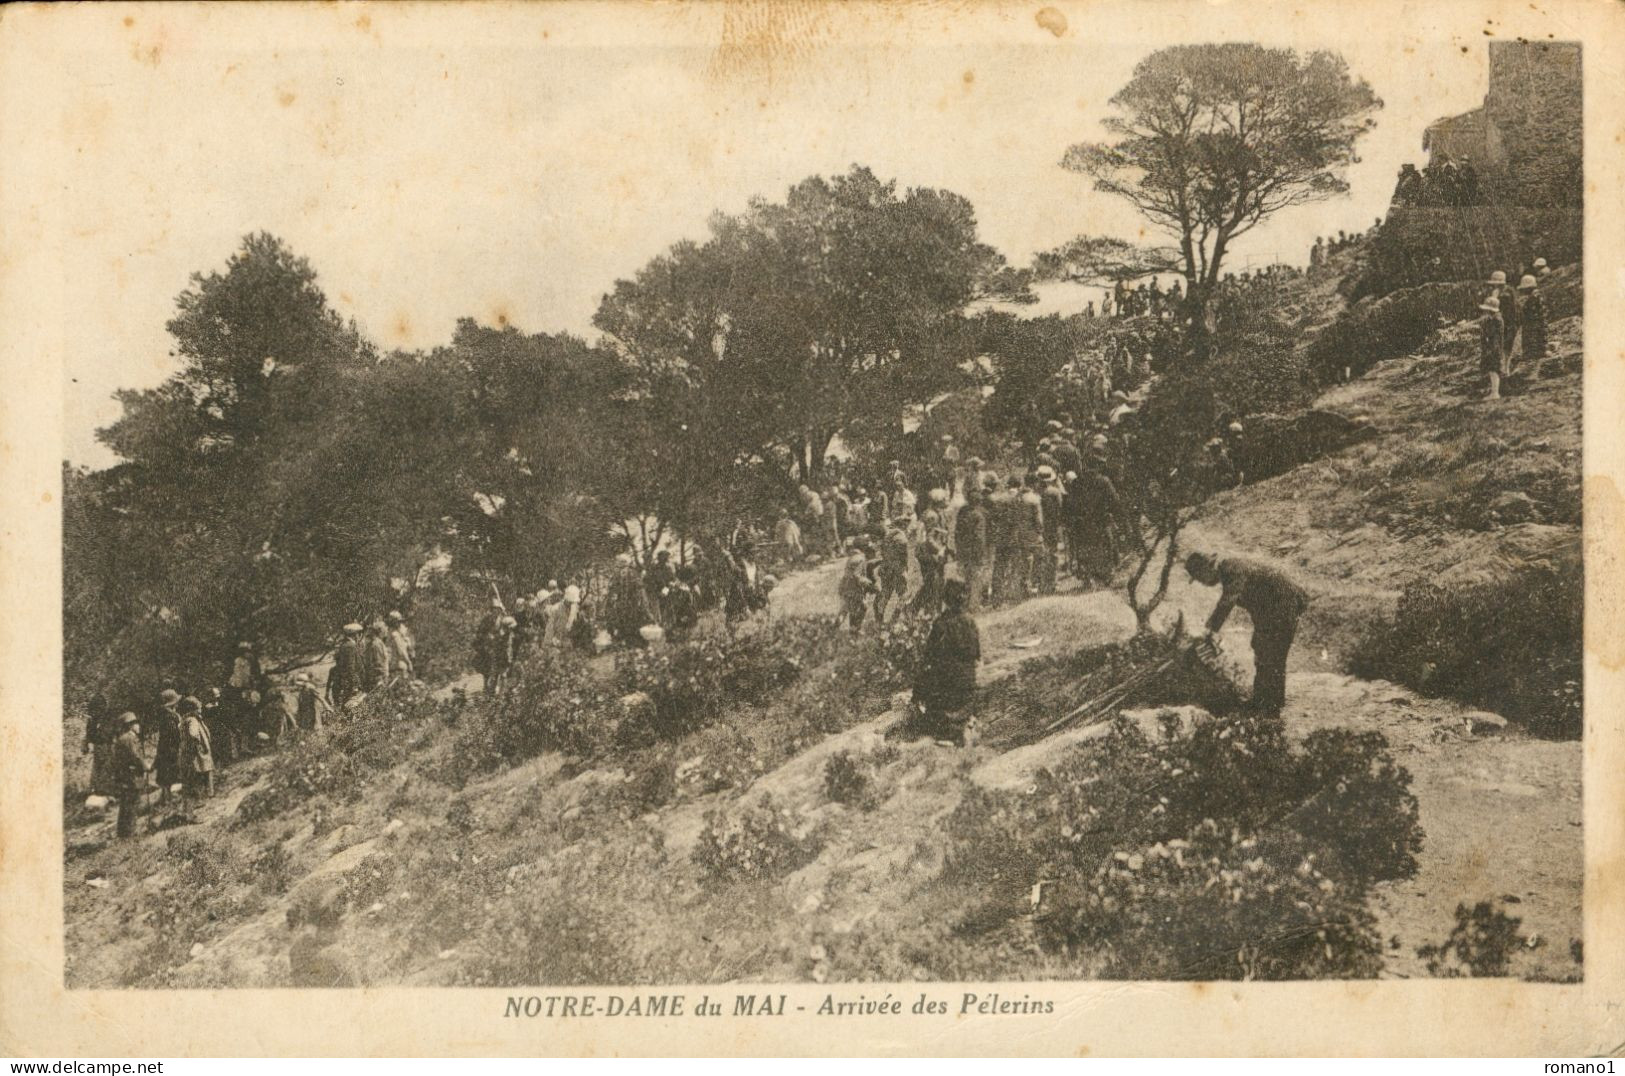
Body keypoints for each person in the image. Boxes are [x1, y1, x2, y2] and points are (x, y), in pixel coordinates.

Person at [1185, 551, 1309, 716]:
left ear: (1205, 570)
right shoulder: (1228, 570)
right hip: (1275, 611)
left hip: (1283, 608)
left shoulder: (1231, 568)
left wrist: (1210, 629)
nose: (1204, 583)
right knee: (1264, 651)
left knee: (1271, 655)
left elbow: (1227, 600)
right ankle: (1266, 702)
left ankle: (1268, 708)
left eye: (1200, 579)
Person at [905, 579, 981, 746]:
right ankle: (961, 723)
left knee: (926, 679)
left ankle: (939, 725)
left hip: (949, 685)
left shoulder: (941, 624)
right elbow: (976, 654)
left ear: (946, 599)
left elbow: (929, 656)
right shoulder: (970, 622)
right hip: (967, 684)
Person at [1067, 459, 1123, 587]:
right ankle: (1106, 576)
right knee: (1106, 546)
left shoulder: (1077, 482)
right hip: (1101, 520)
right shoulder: (1104, 481)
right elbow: (1115, 501)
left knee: (1085, 548)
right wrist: (1116, 516)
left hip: (1082, 522)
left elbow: (1071, 503)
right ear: (1098, 466)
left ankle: (1088, 577)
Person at [111, 712, 149, 839]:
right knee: (132, 804)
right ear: (130, 726)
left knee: (126, 804)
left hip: (124, 775)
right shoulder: (129, 738)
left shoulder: (122, 738)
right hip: (131, 775)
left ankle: (123, 834)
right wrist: (146, 766)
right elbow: (135, 756)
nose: (138, 726)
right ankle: (130, 834)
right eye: (135, 723)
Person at [953, 488, 990, 613]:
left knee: (966, 578)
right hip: (976, 551)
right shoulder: (978, 515)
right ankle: (973, 605)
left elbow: (957, 532)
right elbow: (979, 537)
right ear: (978, 501)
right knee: (976, 578)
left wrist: (958, 548)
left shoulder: (962, 512)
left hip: (964, 550)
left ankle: (964, 603)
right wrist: (982, 553)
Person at [177, 696, 213, 817]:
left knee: (190, 785)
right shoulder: (192, 721)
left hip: (187, 756)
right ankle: (190, 815)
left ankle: (189, 811)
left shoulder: (185, 719)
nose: (200, 710)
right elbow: (193, 734)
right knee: (193, 784)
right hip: (193, 757)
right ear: (192, 709)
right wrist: (198, 744)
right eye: (198, 708)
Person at [1036, 466, 1065, 593]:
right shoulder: (1055, 492)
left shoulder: (1036, 492)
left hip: (1039, 526)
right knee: (1053, 553)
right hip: (1052, 525)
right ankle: (1053, 582)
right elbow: (1060, 508)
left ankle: (1041, 582)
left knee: (1041, 554)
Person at [153, 688, 183, 806]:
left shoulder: (165, 716)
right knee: (170, 773)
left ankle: (167, 797)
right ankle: (169, 799)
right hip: (170, 749)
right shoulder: (170, 717)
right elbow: (174, 735)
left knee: (166, 774)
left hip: (164, 749)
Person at [838, 546, 878, 634]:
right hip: (853, 587)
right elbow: (858, 576)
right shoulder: (861, 560)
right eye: (874, 555)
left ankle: (835, 628)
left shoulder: (855, 557)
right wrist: (869, 585)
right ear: (870, 553)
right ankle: (855, 630)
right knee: (862, 607)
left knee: (846, 609)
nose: (874, 558)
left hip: (844, 586)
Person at [82, 692, 115, 797]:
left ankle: (101, 790)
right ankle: (102, 790)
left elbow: (90, 733)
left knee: (101, 767)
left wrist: (87, 742)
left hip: (103, 744)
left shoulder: (97, 718)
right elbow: (91, 732)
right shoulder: (97, 719)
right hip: (102, 744)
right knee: (103, 766)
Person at [327, 623, 365, 708]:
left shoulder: (345, 644)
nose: (359, 636)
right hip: (349, 684)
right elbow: (350, 667)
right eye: (359, 634)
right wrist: (354, 685)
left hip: (346, 682)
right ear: (355, 634)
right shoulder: (350, 646)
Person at [1516, 273, 1547, 371]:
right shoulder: (1535, 296)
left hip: (1533, 323)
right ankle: (1535, 353)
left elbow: (1532, 312)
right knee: (1536, 337)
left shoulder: (1534, 297)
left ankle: (1533, 355)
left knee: (1533, 338)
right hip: (1535, 323)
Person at [1478, 294, 1507, 400]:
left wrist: (1491, 349)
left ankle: (1495, 393)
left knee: (1494, 370)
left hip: (1494, 349)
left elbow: (1496, 337)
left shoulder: (1497, 320)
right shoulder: (1493, 319)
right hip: (1492, 348)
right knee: (1491, 369)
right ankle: (1493, 390)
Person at [361, 620, 391, 692]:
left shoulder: (375, 642)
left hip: (374, 677)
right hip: (377, 678)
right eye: (385, 629)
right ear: (380, 631)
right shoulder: (377, 644)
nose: (386, 631)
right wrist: (384, 677)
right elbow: (378, 662)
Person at [387, 611, 416, 680]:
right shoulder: (395, 635)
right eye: (398, 622)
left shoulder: (391, 632)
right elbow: (401, 651)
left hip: (393, 662)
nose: (400, 624)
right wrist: (408, 662)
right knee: (404, 672)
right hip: (397, 662)